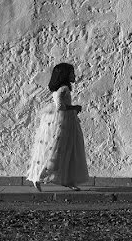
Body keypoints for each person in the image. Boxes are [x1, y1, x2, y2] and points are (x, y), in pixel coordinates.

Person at [26, 62, 90, 191]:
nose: (74, 75)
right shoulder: (64, 89)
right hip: (63, 122)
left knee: (64, 150)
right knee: (61, 149)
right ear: (65, 75)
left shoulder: (61, 88)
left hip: (63, 120)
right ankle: (43, 176)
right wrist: (75, 107)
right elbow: (60, 106)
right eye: (71, 72)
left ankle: (64, 179)